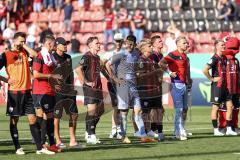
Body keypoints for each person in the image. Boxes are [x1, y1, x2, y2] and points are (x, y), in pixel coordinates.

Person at [0, 32, 54, 155]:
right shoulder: (5, 55)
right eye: (20, 41)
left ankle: (39, 148)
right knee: (14, 120)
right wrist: (6, 80)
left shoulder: (24, 52)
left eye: (24, 41)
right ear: (14, 41)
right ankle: (17, 147)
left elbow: (36, 55)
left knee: (33, 119)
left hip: (27, 92)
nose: (22, 43)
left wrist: (23, 46)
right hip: (14, 92)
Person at [106, 35, 156, 143]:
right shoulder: (120, 54)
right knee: (124, 112)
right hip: (123, 86)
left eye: (132, 44)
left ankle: (143, 136)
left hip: (133, 86)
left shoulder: (136, 54)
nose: (130, 45)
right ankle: (123, 136)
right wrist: (114, 78)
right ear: (125, 43)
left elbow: (136, 66)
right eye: (128, 43)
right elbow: (107, 64)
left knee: (138, 110)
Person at [32, 34, 63, 152]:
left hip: (49, 90)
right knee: (46, 116)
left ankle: (48, 144)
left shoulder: (49, 57)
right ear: (49, 44)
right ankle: (43, 144)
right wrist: (51, 76)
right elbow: (35, 74)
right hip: (41, 91)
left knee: (48, 117)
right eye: (54, 44)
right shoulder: (39, 56)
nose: (55, 47)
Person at [202, 39, 237, 136]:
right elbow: (205, 69)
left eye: (224, 45)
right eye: (222, 45)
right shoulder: (214, 58)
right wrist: (212, 79)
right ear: (217, 47)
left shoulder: (225, 58)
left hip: (225, 87)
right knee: (215, 107)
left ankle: (229, 128)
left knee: (230, 106)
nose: (224, 46)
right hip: (217, 86)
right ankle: (215, 130)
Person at [159, 36, 191, 140]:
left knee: (185, 109)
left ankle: (179, 130)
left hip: (184, 84)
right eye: (184, 43)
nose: (186, 44)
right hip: (176, 84)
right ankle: (179, 131)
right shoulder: (173, 54)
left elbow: (185, 71)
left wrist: (188, 81)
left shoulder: (185, 56)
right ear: (178, 44)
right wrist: (169, 72)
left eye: (186, 43)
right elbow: (161, 63)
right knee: (179, 109)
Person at [52, 37, 81, 148]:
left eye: (66, 44)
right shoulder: (52, 57)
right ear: (57, 45)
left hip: (69, 90)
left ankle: (72, 140)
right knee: (57, 116)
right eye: (63, 44)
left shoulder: (68, 57)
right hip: (57, 91)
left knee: (74, 115)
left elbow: (71, 74)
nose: (65, 45)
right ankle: (58, 139)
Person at [77, 36, 104, 144]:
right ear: (90, 45)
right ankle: (91, 134)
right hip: (90, 88)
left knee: (100, 111)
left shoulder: (97, 57)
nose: (99, 44)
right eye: (97, 43)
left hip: (98, 88)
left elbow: (103, 69)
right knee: (92, 111)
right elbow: (78, 68)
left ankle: (89, 131)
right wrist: (85, 82)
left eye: (99, 43)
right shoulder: (86, 56)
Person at [135, 39, 160, 142]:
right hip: (143, 89)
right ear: (144, 48)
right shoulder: (141, 60)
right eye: (149, 46)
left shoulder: (149, 60)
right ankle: (142, 133)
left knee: (148, 111)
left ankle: (147, 131)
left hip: (150, 89)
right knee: (143, 111)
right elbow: (139, 76)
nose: (151, 47)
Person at [218, 36, 240, 134]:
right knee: (224, 108)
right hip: (226, 88)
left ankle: (234, 126)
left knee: (235, 108)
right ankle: (222, 127)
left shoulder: (236, 60)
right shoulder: (223, 59)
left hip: (236, 89)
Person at [104, 32, 124, 139]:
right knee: (116, 106)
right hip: (113, 83)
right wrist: (111, 77)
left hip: (123, 83)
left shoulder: (125, 53)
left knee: (121, 107)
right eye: (117, 41)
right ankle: (114, 129)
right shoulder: (109, 54)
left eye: (120, 41)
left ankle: (119, 128)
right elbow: (103, 64)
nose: (118, 43)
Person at [149, 35, 165, 141]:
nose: (162, 42)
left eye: (162, 41)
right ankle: (154, 131)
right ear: (154, 44)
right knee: (156, 109)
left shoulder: (161, 55)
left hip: (158, 85)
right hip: (152, 85)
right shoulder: (153, 56)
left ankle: (154, 130)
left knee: (159, 110)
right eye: (159, 41)